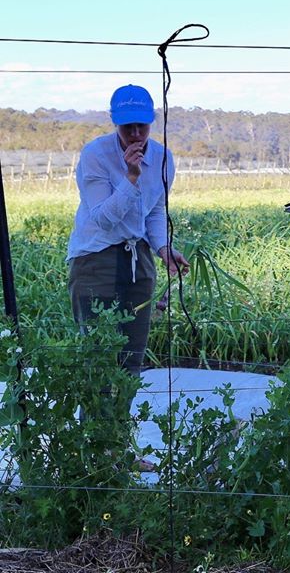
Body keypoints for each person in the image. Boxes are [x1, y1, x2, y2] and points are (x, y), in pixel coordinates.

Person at [67, 84, 190, 442]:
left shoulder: (164, 158)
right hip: (96, 258)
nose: (136, 134)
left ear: (152, 122)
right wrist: (131, 175)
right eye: (127, 127)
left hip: (138, 260)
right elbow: (104, 218)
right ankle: (92, 446)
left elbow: (153, 209)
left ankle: (117, 446)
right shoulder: (96, 155)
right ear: (114, 122)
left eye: (142, 125)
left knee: (131, 360)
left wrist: (164, 248)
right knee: (100, 356)